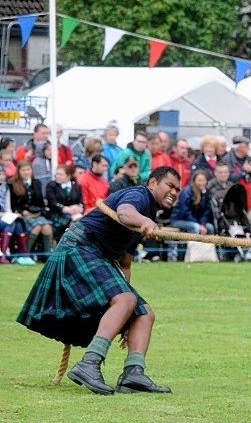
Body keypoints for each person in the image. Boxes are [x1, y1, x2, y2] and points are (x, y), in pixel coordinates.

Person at [16, 167, 181, 394]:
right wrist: (145, 221)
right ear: (153, 182)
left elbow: (125, 263)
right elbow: (124, 212)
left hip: (100, 257)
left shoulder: (147, 214)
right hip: (79, 248)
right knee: (125, 300)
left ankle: (133, 374)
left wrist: (126, 312)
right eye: (170, 186)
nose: (174, 192)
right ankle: (89, 364)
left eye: (178, 190)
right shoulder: (139, 196)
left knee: (144, 314)